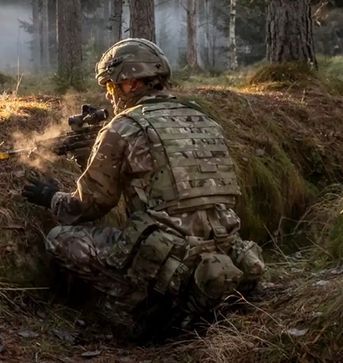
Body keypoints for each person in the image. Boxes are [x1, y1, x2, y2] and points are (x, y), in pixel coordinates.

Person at [21, 38, 265, 340]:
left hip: (169, 262)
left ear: (131, 83)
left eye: (111, 87)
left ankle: (143, 306)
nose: (109, 96)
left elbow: (88, 206)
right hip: (226, 255)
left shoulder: (123, 127)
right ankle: (200, 301)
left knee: (62, 239)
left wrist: (52, 197)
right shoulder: (204, 120)